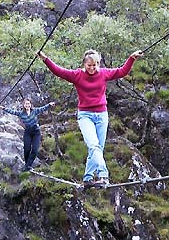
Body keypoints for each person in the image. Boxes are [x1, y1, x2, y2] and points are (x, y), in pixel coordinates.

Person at [38, 49, 143, 187]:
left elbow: (122, 71)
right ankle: (103, 175)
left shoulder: (104, 73)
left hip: (102, 115)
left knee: (97, 148)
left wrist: (131, 58)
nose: (92, 68)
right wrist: (45, 58)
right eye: (89, 65)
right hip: (85, 115)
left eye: (95, 65)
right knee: (93, 145)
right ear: (84, 64)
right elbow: (59, 71)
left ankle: (88, 178)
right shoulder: (77, 75)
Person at [1, 99, 55, 171]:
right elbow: (13, 112)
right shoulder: (21, 114)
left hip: (36, 132)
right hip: (28, 132)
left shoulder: (35, 111)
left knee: (35, 150)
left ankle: (28, 166)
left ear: (30, 104)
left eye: (28, 104)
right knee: (27, 149)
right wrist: (4, 109)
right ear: (24, 105)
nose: (27, 105)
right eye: (26, 104)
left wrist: (49, 104)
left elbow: (43, 108)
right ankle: (27, 165)